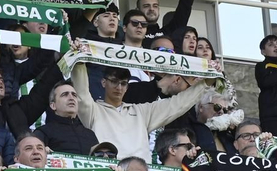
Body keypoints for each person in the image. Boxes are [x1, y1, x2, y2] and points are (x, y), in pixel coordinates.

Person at [70, 63, 215, 160]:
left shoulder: (141, 111)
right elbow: (82, 92)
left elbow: (177, 105)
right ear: (103, 82)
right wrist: (79, 62)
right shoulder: (93, 110)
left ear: (127, 86)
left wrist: (206, 83)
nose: (119, 88)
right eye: (114, 81)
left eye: (123, 83)